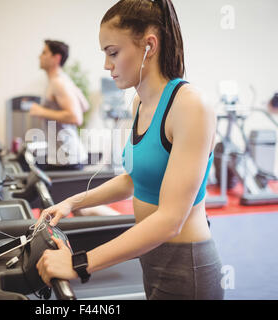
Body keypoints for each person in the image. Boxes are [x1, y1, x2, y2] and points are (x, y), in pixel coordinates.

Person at [36, 0, 224, 300]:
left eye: (113, 53)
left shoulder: (190, 105)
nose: (106, 65)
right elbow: (134, 179)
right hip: (150, 257)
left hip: (187, 267)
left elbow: (171, 220)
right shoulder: (139, 103)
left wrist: (80, 263)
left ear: (149, 45)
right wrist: (70, 202)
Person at [29, 39, 120, 217]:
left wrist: (42, 111)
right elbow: (84, 105)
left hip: (65, 156)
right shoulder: (63, 79)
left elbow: (76, 116)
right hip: (65, 153)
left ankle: (123, 223)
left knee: (50, 206)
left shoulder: (58, 83)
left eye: (44, 52)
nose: (40, 56)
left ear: (56, 58)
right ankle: (122, 223)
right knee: (76, 208)